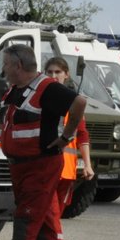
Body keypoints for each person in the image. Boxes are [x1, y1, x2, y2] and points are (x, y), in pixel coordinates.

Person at [0, 44, 86, 240]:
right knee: (42, 226)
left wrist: (66, 137)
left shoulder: (47, 88)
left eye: (5, 64)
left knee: (26, 221)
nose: (3, 70)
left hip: (40, 166)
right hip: (20, 166)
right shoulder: (15, 89)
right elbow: (11, 119)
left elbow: (79, 102)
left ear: (18, 66)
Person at [45, 56, 93, 228]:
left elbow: (82, 134)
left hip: (66, 170)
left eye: (58, 72)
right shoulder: (39, 99)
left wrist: (87, 164)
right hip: (45, 169)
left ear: (66, 75)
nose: (54, 75)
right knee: (48, 215)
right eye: (50, 72)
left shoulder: (74, 102)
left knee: (55, 215)